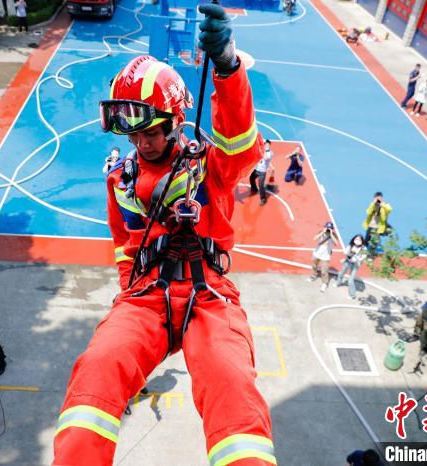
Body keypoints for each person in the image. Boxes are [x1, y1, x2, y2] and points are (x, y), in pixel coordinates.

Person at [53, 6, 276, 463]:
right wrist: (127, 293)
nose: (142, 143)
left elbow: (239, 140)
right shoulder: (121, 179)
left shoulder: (210, 167)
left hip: (208, 293)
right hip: (146, 293)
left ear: (175, 120)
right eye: (133, 135)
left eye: (150, 131)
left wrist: (228, 68)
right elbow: (122, 244)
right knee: (96, 370)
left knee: (232, 387)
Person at [308, 222, 339, 292]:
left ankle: (324, 283)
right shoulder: (321, 232)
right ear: (324, 227)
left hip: (326, 256)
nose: (328, 229)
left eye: (330, 228)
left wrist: (331, 234)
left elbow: (336, 243)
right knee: (314, 265)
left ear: (332, 229)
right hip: (317, 253)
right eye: (327, 227)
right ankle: (314, 275)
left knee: (324, 271)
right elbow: (314, 239)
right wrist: (322, 232)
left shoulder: (333, 235)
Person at [334, 234, 366, 300]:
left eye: (359, 240)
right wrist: (347, 256)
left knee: (350, 280)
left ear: (362, 241)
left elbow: (362, 258)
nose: (357, 241)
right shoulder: (350, 246)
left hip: (355, 265)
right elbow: (346, 253)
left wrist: (355, 255)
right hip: (348, 262)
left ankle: (352, 295)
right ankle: (338, 283)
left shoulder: (363, 249)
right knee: (341, 273)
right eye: (356, 239)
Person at [249, 140, 274, 205]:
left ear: (269, 146)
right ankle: (254, 189)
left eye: (268, 145)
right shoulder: (261, 151)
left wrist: (264, 150)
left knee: (261, 185)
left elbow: (265, 158)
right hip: (256, 169)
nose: (266, 146)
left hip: (262, 172)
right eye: (265, 144)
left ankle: (263, 199)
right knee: (251, 178)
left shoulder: (270, 153)